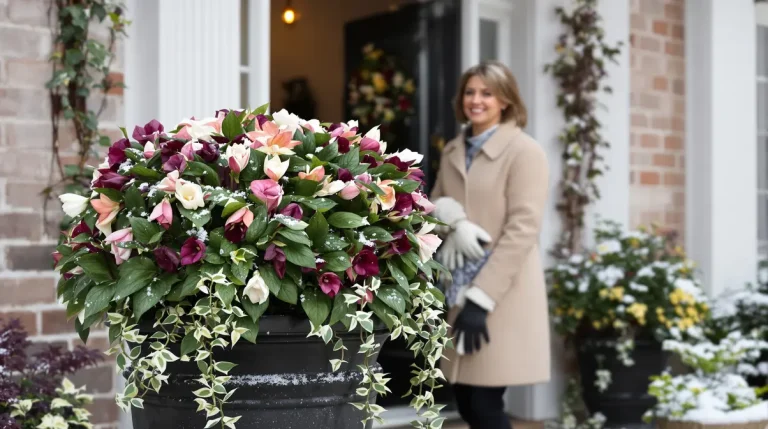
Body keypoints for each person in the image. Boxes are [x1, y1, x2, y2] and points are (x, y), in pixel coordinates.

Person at [430, 60, 551, 429]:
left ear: (505, 100)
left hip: (501, 294)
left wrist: (481, 299)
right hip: (458, 287)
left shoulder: (524, 151)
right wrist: (455, 219)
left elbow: (523, 230)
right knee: (466, 399)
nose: (476, 100)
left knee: (484, 403)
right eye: (470, 91)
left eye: (487, 92)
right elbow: (433, 205)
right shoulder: (453, 149)